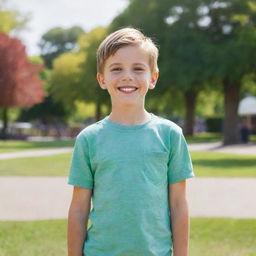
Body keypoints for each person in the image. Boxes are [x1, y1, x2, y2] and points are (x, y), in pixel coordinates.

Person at [67, 27, 195, 256]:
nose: (127, 76)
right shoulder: (89, 139)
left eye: (138, 68)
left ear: (153, 78)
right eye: (116, 69)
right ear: (102, 79)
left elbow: (178, 205)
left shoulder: (170, 135)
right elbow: (79, 208)